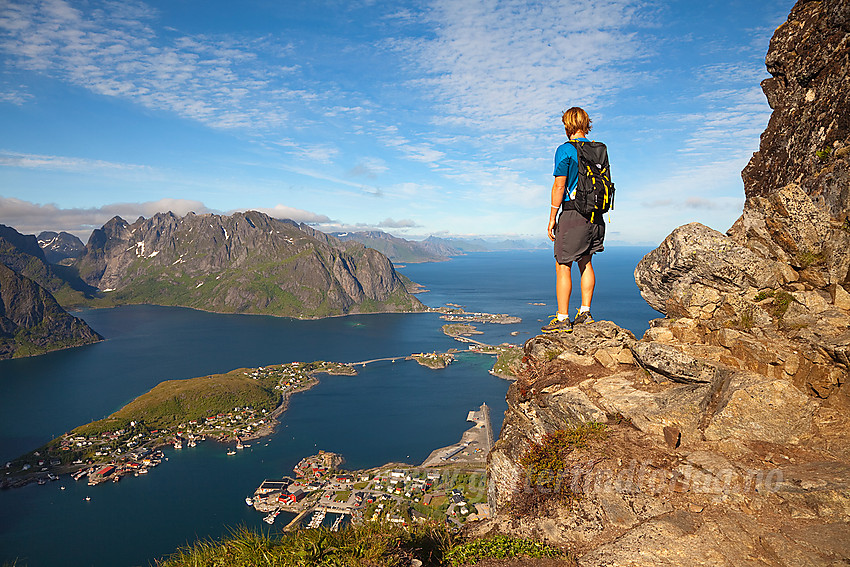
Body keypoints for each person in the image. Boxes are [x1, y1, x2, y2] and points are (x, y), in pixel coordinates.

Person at [541, 107, 606, 334]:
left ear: (566, 124)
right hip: (596, 215)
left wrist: (552, 217)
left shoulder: (565, 150)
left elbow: (560, 185)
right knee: (586, 262)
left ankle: (562, 319)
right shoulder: (599, 150)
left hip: (573, 213)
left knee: (563, 264)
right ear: (586, 123)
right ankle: (585, 312)